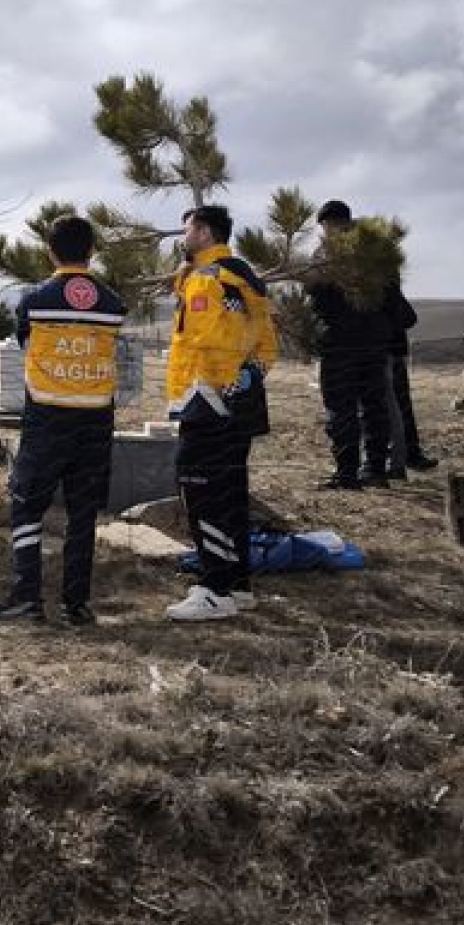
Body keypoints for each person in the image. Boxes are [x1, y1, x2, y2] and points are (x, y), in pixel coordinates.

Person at [0, 216, 127, 626]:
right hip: (96, 419)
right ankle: (76, 604)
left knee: (27, 506)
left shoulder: (34, 301)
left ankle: (27, 595)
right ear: (92, 251)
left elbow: (25, 341)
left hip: (48, 417)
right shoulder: (113, 304)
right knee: (83, 514)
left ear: (50, 251)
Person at [164, 204, 277, 622]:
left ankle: (215, 588)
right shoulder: (246, 276)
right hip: (239, 400)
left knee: (202, 490)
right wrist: (248, 377)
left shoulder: (208, 280)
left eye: (187, 229)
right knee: (230, 490)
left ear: (205, 232)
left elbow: (203, 342)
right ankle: (238, 582)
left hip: (208, 400)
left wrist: (210, 388)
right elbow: (267, 343)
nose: (183, 237)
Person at [306, 200, 394, 488]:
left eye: (325, 226)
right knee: (374, 406)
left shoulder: (326, 254)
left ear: (329, 224)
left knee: (341, 408)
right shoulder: (375, 252)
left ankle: (346, 473)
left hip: (339, 344)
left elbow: (316, 298)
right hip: (374, 343)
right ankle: (376, 469)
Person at [381, 275, 438, 478]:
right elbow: (408, 317)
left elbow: (409, 317)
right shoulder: (386, 285)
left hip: (385, 353)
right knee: (399, 406)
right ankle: (408, 455)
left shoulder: (380, 285)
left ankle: (402, 457)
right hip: (391, 351)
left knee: (391, 407)